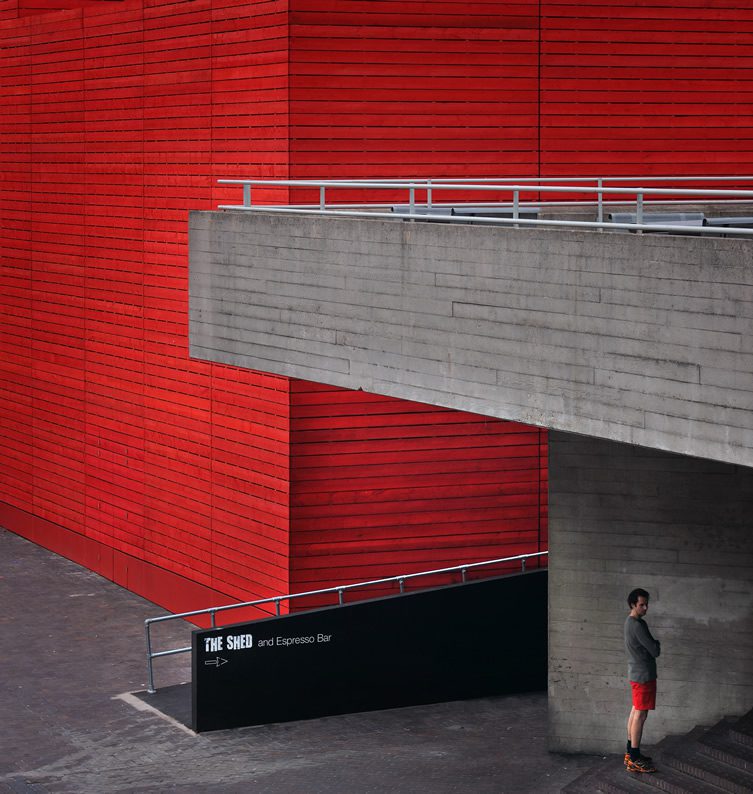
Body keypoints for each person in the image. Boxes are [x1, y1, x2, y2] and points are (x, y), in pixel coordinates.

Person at [624, 588, 660, 773]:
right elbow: (655, 650)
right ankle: (635, 758)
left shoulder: (629, 622)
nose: (645, 608)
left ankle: (631, 753)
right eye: (641, 605)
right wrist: (657, 644)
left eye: (646, 604)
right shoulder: (638, 625)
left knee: (635, 711)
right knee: (641, 715)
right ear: (633, 605)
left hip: (636, 674)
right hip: (643, 676)